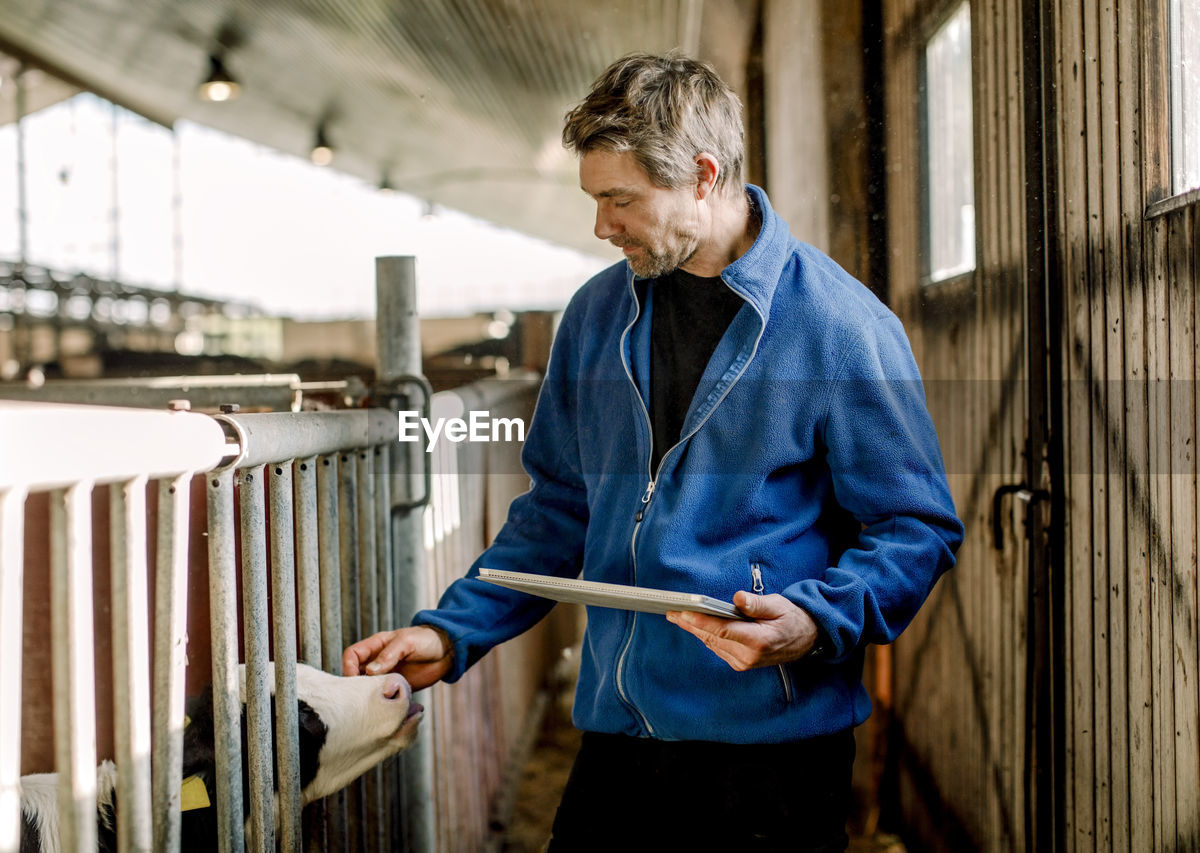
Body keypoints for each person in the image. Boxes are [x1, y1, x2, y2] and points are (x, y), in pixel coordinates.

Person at [344, 52, 964, 850]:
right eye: (596, 198)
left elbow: (916, 527)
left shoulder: (840, 327)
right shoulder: (596, 318)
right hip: (618, 738)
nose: (602, 225)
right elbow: (559, 511)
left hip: (770, 757)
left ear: (703, 176)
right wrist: (451, 631)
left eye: (620, 199)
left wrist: (815, 618)